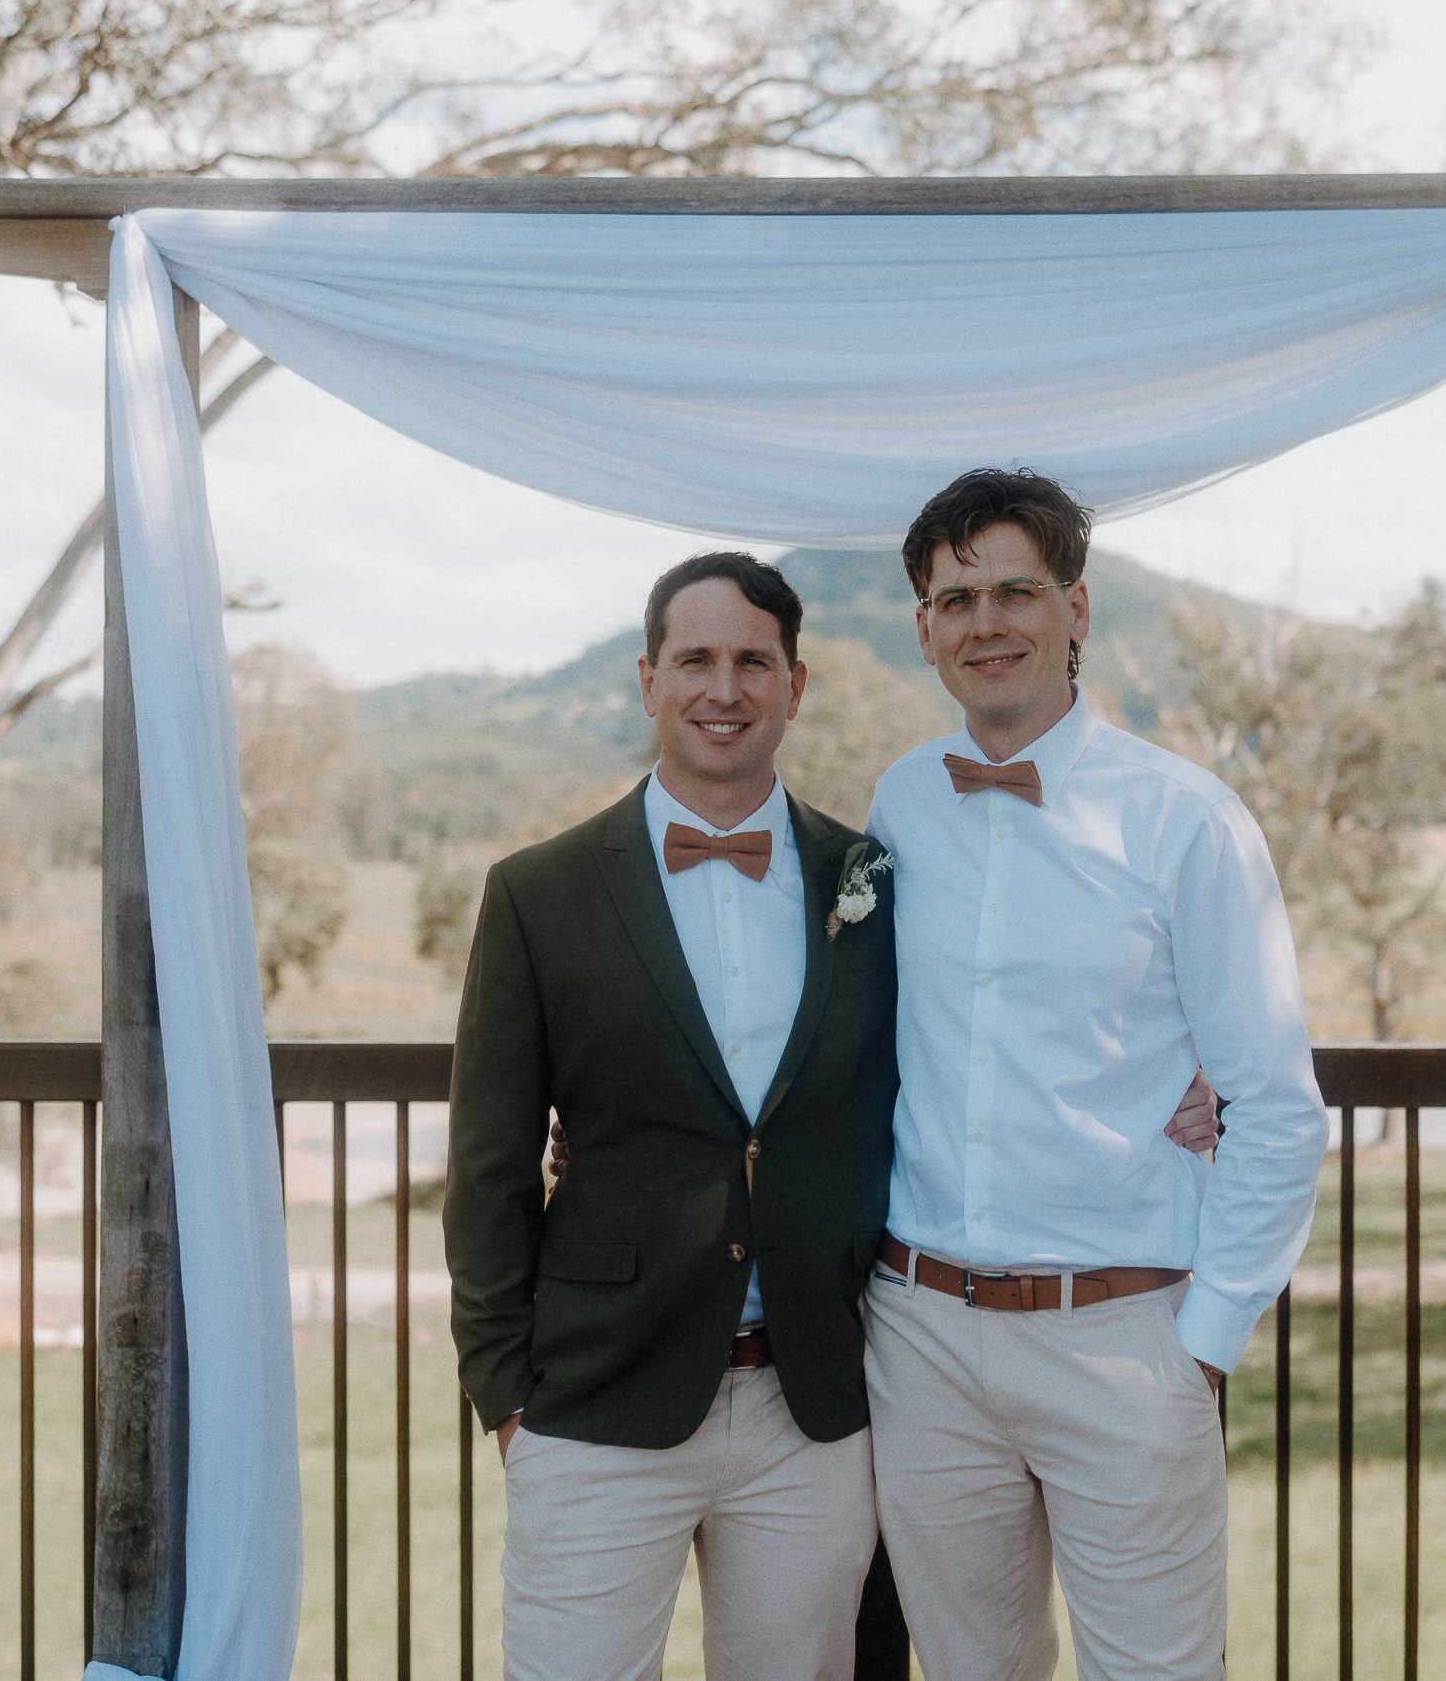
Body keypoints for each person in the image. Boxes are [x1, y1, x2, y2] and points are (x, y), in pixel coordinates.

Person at [446, 550, 1219, 1681]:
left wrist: (1197, 1083)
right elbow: (488, 1170)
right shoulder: (537, 892)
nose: (725, 689)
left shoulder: (871, 874)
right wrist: (505, 1394)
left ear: (795, 685)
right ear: (647, 681)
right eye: (695, 661)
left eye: (753, 661)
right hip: (596, 1397)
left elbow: (997, 1020)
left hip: (810, 1404)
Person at [863, 468, 1330, 1681]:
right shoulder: (901, 803)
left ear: (1077, 608)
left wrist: (1206, 1339)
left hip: (1124, 1335)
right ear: (923, 630)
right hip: (920, 1336)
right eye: (956, 598)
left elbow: (1276, 1102)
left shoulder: (1187, 819)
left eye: (1016, 589)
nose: (986, 621)